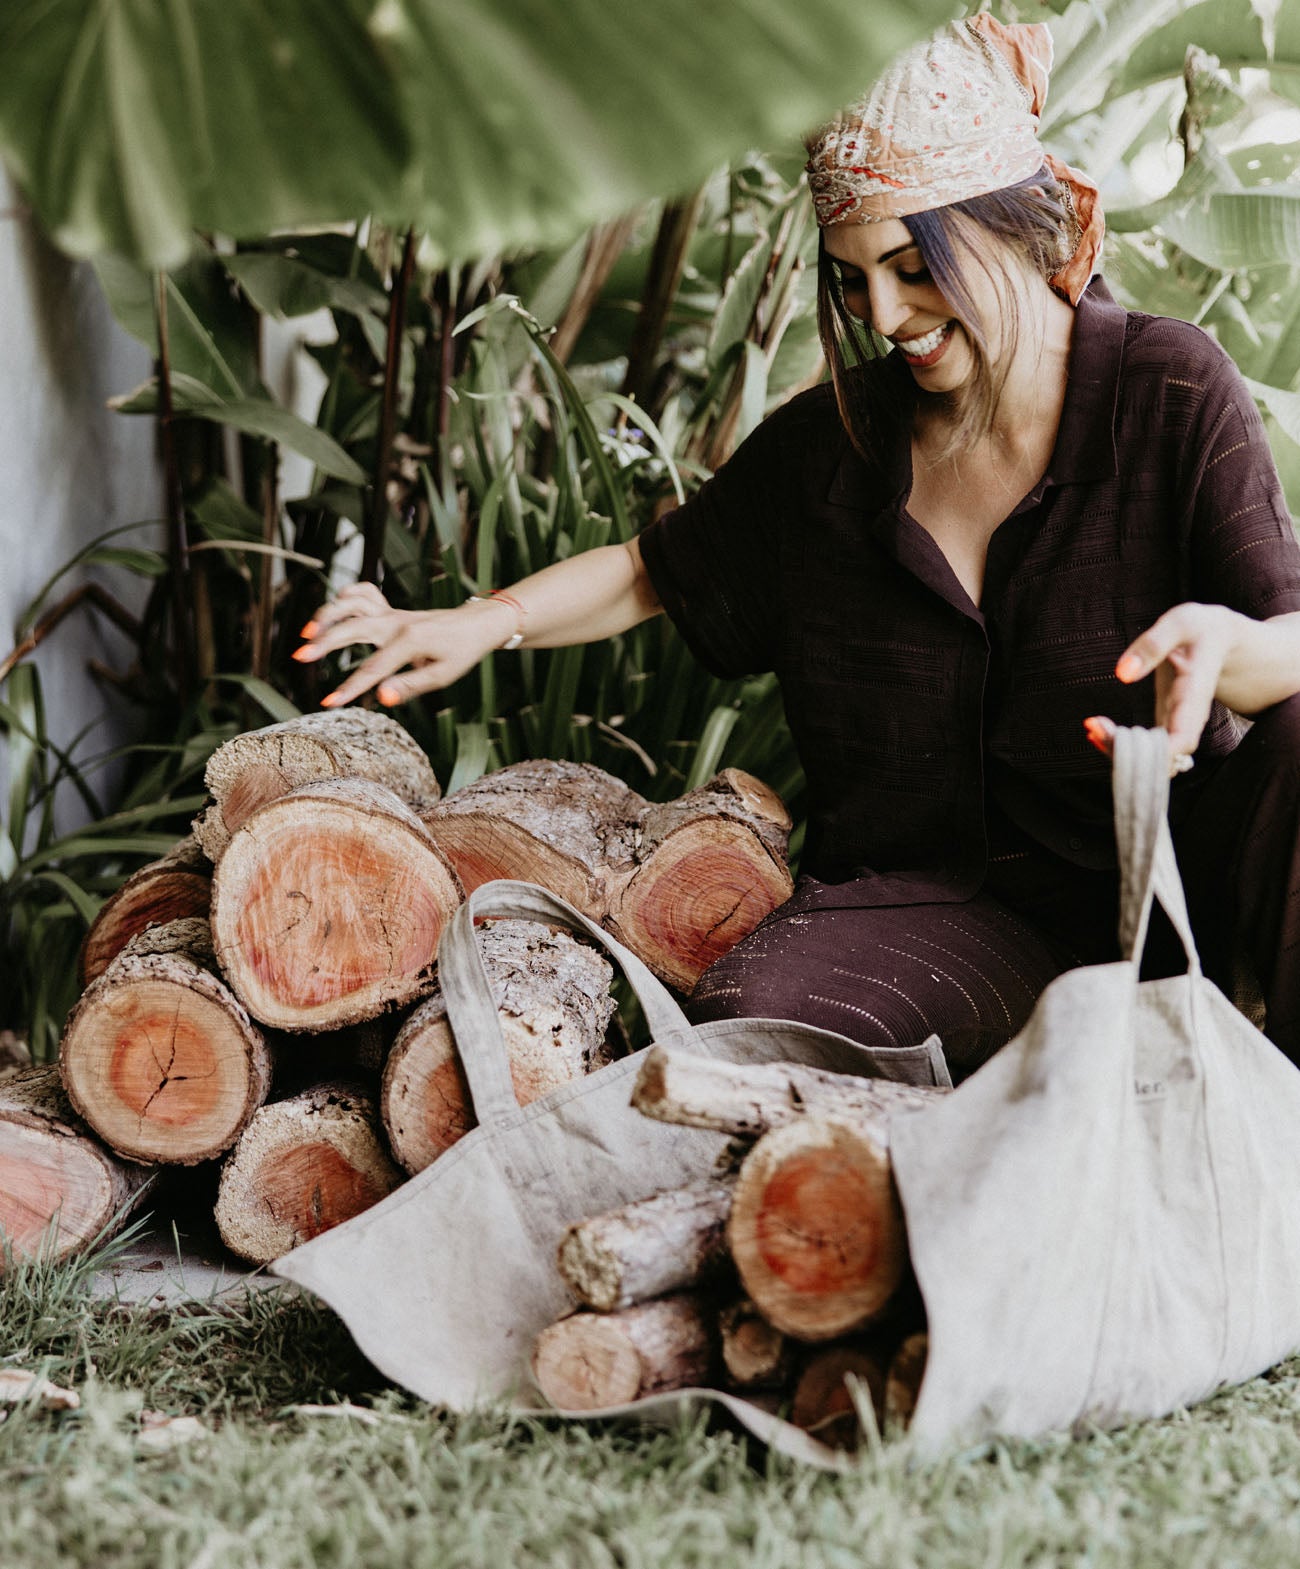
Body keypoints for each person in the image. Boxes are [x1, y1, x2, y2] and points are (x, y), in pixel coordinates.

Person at [295, 16, 1300, 1078]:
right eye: (853, 276)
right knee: (760, 1021)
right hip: (954, 914)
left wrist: (1225, 653)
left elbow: (1288, 638)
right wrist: (477, 623)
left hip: (1181, 891)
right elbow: (652, 570)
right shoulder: (832, 448)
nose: (883, 312)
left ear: (1020, 225)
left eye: (915, 267)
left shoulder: (1167, 388)